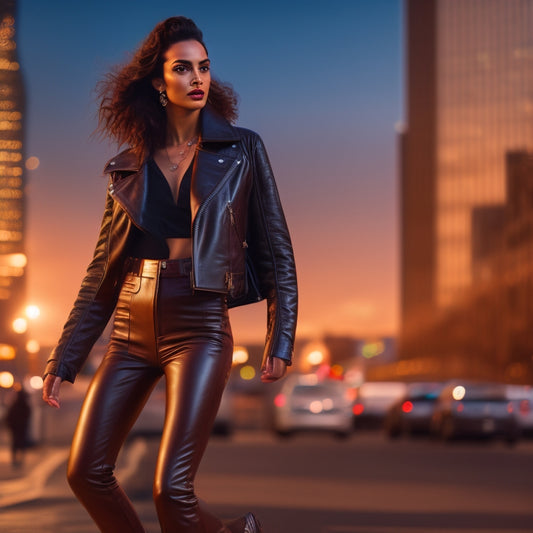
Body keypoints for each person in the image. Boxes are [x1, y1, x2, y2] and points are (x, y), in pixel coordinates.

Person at [41, 15, 297, 533]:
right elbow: (101, 273)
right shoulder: (127, 167)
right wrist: (65, 356)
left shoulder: (242, 150)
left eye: (204, 67)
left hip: (199, 323)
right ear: (159, 82)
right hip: (131, 328)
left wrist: (281, 333)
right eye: (183, 69)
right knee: (85, 472)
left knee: (170, 492)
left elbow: (277, 249)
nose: (197, 78)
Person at [6, 384, 32, 468]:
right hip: (22, 427)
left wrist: (10, 425)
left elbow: (9, 416)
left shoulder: (15, 405)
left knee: (15, 443)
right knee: (21, 443)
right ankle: (20, 460)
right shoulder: (25, 405)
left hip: (16, 428)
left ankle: (15, 460)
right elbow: (28, 415)